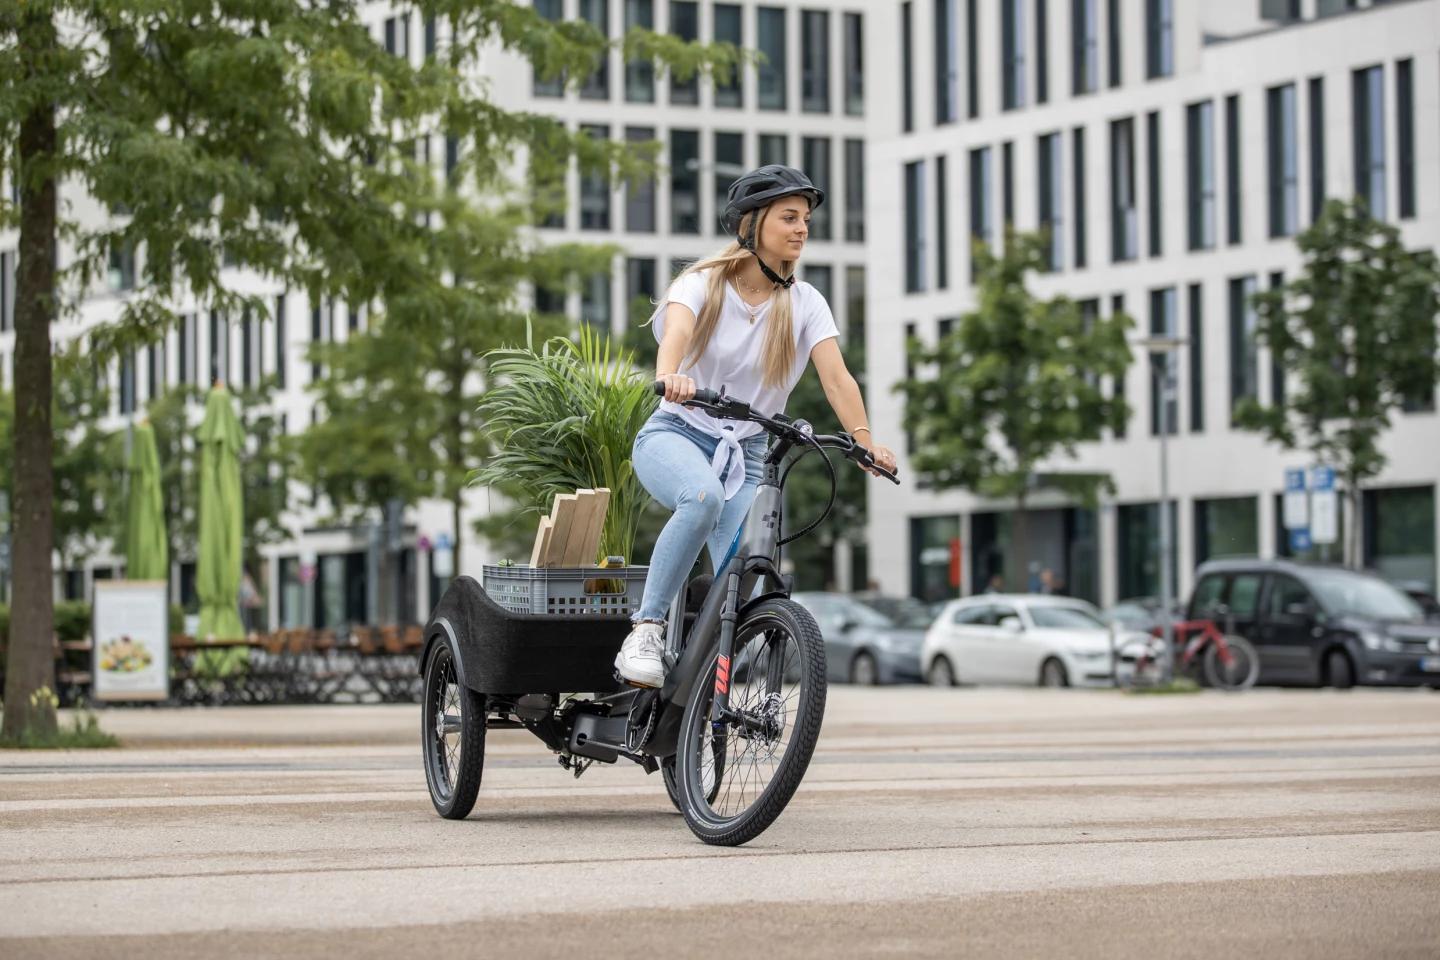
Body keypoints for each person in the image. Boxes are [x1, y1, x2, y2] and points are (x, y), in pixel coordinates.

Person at [614, 165, 897, 687]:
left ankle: (707, 671)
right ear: (752, 224)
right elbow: (676, 329)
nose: (802, 229)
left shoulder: (805, 303)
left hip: (748, 453)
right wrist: (669, 375)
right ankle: (646, 629)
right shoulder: (701, 283)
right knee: (702, 499)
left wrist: (863, 442)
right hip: (676, 432)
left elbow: (836, 378)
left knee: (750, 567)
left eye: (805, 219)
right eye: (789, 218)